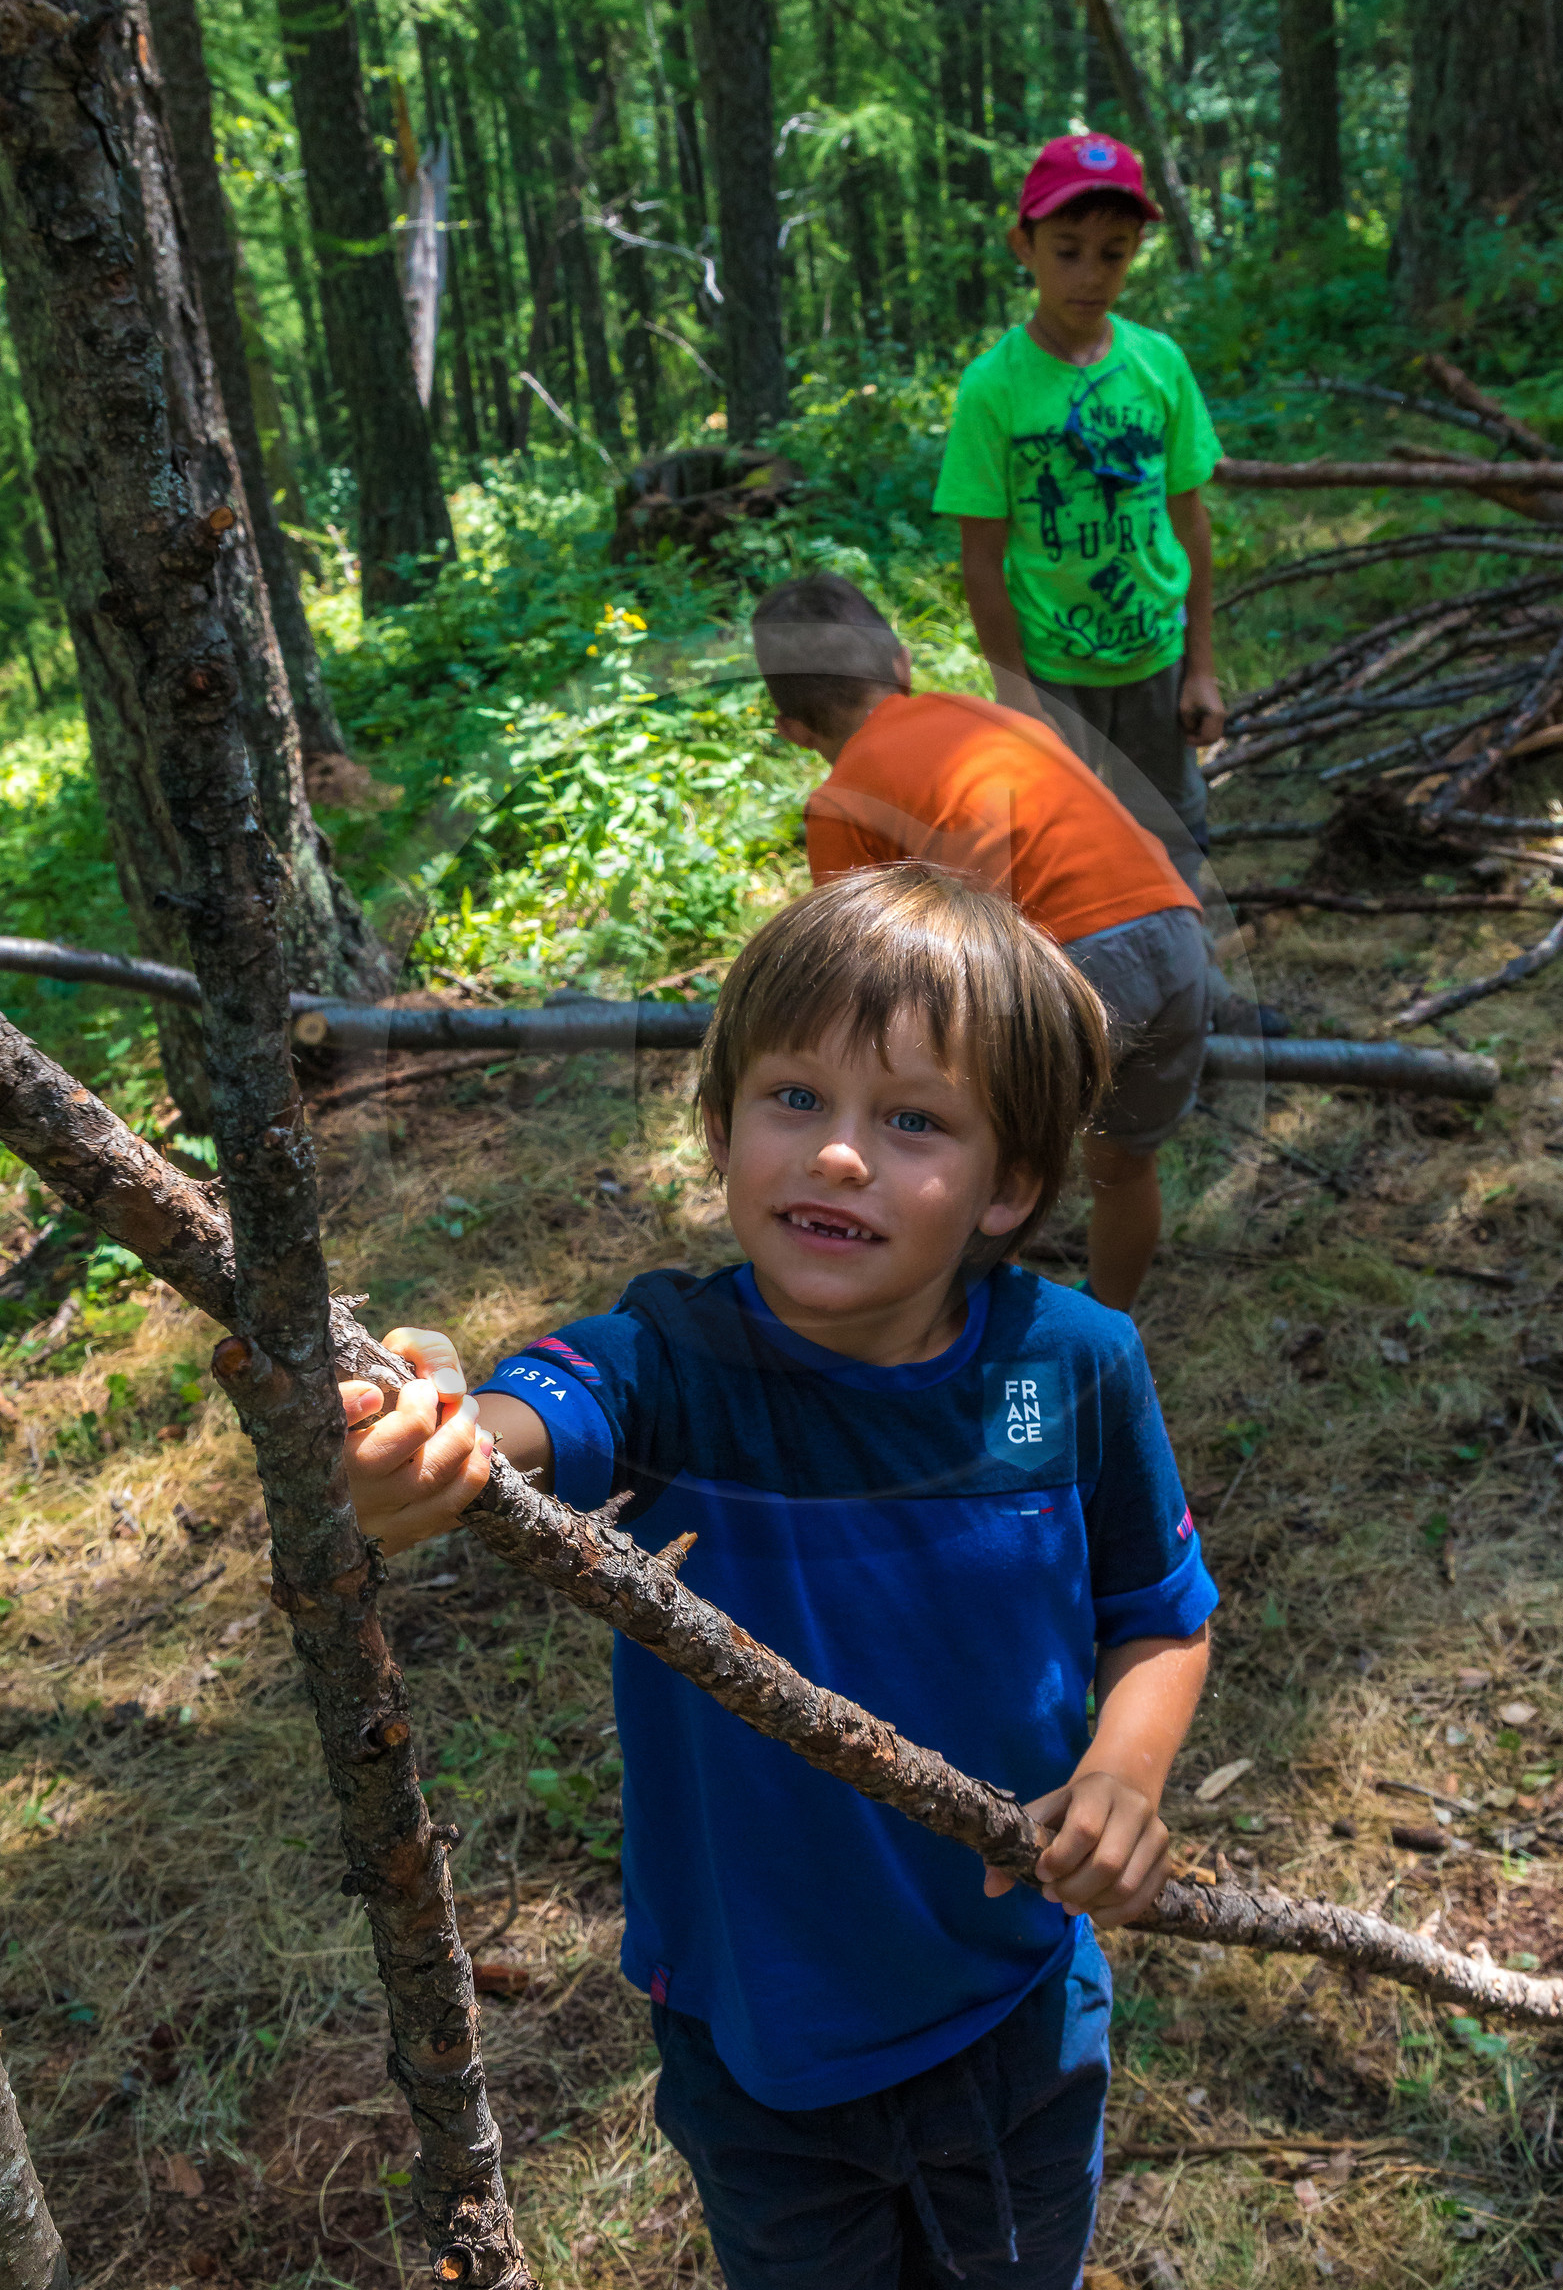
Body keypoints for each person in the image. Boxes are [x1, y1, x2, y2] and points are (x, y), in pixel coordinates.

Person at [340, 865, 1216, 2290]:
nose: (839, 1157)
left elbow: (1159, 1618)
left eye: (913, 1120)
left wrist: (1125, 1772)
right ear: (724, 1125)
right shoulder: (673, 1360)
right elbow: (526, 1421)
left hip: (1006, 2008)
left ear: (1012, 1187)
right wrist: (435, 1437)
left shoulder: (1073, 1369)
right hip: (757, 2038)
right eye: (794, 1099)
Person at [753, 570, 1207, 1309]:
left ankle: (955, 1344)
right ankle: (1109, 1331)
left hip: (1066, 966)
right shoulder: (997, 719)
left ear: (792, 731)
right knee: (1124, 1167)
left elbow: (862, 973)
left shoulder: (842, 799)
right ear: (901, 663)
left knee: (967, 1172)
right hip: (1176, 929)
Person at [933, 131, 1223, 898]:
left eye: (1114, 252)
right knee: (1052, 838)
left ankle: (1189, 977)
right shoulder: (995, 387)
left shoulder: (1159, 365)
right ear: (1022, 246)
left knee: (1170, 828)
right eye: (1067, 251)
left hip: (1154, 657)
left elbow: (1189, 521)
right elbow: (981, 559)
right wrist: (1015, 692)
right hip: (1054, 671)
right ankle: (1065, 1001)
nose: (1091, 275)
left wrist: (1201, 667)